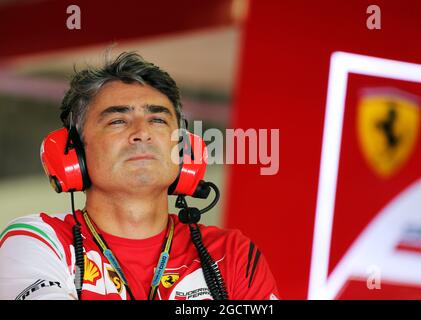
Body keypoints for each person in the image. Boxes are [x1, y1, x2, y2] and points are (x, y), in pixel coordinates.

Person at [0, 52, 279, 300]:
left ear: (184, 150)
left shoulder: (232, 254)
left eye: (158, 120)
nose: (142, 133)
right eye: (117, 121)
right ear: (73, 152)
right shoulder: (36, 240)